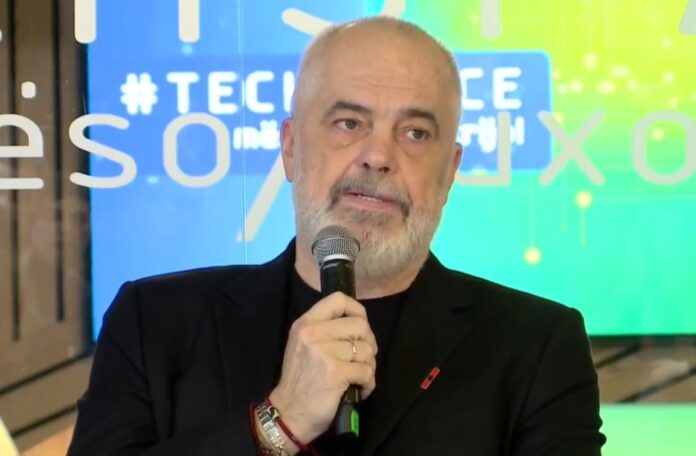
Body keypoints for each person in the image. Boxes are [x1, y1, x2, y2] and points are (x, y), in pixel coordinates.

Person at [68, 16, 605, 455]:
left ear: (450, 171)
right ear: (291, 147)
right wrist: (279, 423)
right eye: (349, 123)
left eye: (416, 133)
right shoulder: (155, 322)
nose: (379, 155)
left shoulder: (536, 346)